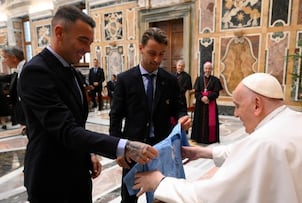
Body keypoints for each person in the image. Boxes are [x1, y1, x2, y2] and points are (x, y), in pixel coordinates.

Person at [17, 5, 158, 203]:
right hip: (51, 178)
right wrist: (123, 146)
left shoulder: (73, 72)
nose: (87, 50)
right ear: (59, 32)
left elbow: (77, 123)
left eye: (90, 42)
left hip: (79, 173)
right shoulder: (36, 72)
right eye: (83, 40)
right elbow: (65, 129)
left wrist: (89, 152)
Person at [132, 73, 302, 203]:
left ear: (257, 104)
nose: (236, 114)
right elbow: (247, 152)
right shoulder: (293, 121)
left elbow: (212, 196)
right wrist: (204, 152)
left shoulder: (265, 142)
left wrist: (160, 182)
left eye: (238, 106)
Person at [109, 27, 192, 203]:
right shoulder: (125, 79)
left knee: (160, 196)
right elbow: (115, 116)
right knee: (129, 197)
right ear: (140, 48)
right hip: (132, 149)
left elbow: (179, 107)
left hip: (160, 148)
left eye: (161, 54)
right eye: (152, 53)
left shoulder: (169, 80)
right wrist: (117, 148)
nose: (157, 59)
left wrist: (182, 117)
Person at [191, 61, 223, 144]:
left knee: (210, 121)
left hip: (211, 103)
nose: (207, 70)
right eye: (206, 68)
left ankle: (210, 139)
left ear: (211, 69)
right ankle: (198, 138)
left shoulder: (215, 80)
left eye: (209, 68)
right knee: (199, 120)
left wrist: (208, 97)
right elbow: (196, 92)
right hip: (200, 104)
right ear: (203, 69)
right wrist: (202, 98)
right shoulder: (199, 79)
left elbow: (216, 93)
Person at [0, 46, 26, 133]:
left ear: (14, 58)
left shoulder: (27, 69)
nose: (4, 61)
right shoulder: (18, 70)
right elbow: (7, 78)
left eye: (5, 57)